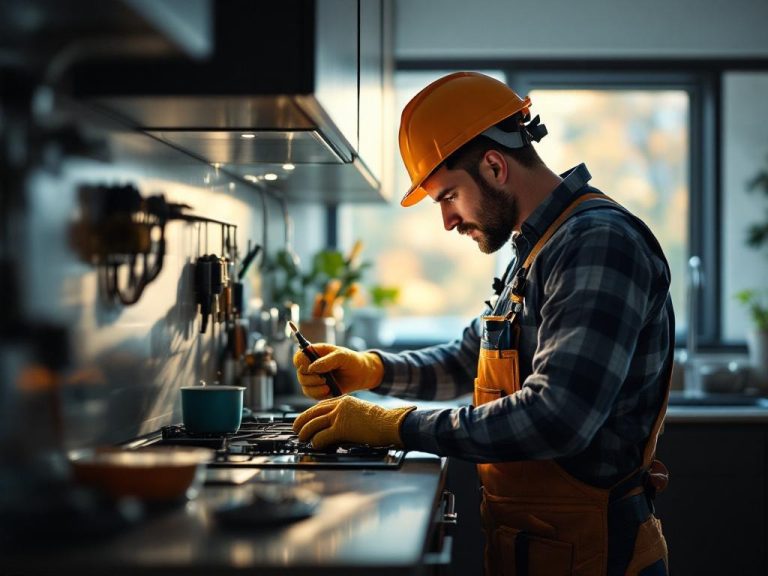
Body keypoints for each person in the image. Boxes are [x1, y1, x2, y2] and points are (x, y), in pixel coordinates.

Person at [292, 71, 674, 576]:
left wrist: (396, 425)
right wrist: (371, 369)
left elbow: (557, 417)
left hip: (600, 552)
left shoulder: (597, 243)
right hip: (542, 545)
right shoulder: (537, 247)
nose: (447, 222)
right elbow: (469, 357)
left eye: (448, 196)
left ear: (494, 165)